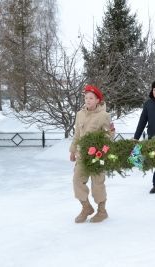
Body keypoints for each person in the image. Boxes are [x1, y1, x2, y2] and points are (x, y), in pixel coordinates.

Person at [70, 84, 114, 223]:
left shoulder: (104, 116)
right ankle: (86, 207)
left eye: (91, 98)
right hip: (82, 155)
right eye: (86, 97)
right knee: (77, 180)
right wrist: (72, 150)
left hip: (97, 156)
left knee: (97, 184)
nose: (88, 100)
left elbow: (110, 134)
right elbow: (77, 134)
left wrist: (100, 146)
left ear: (97, 100)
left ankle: (102, 211)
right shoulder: (80, 114)